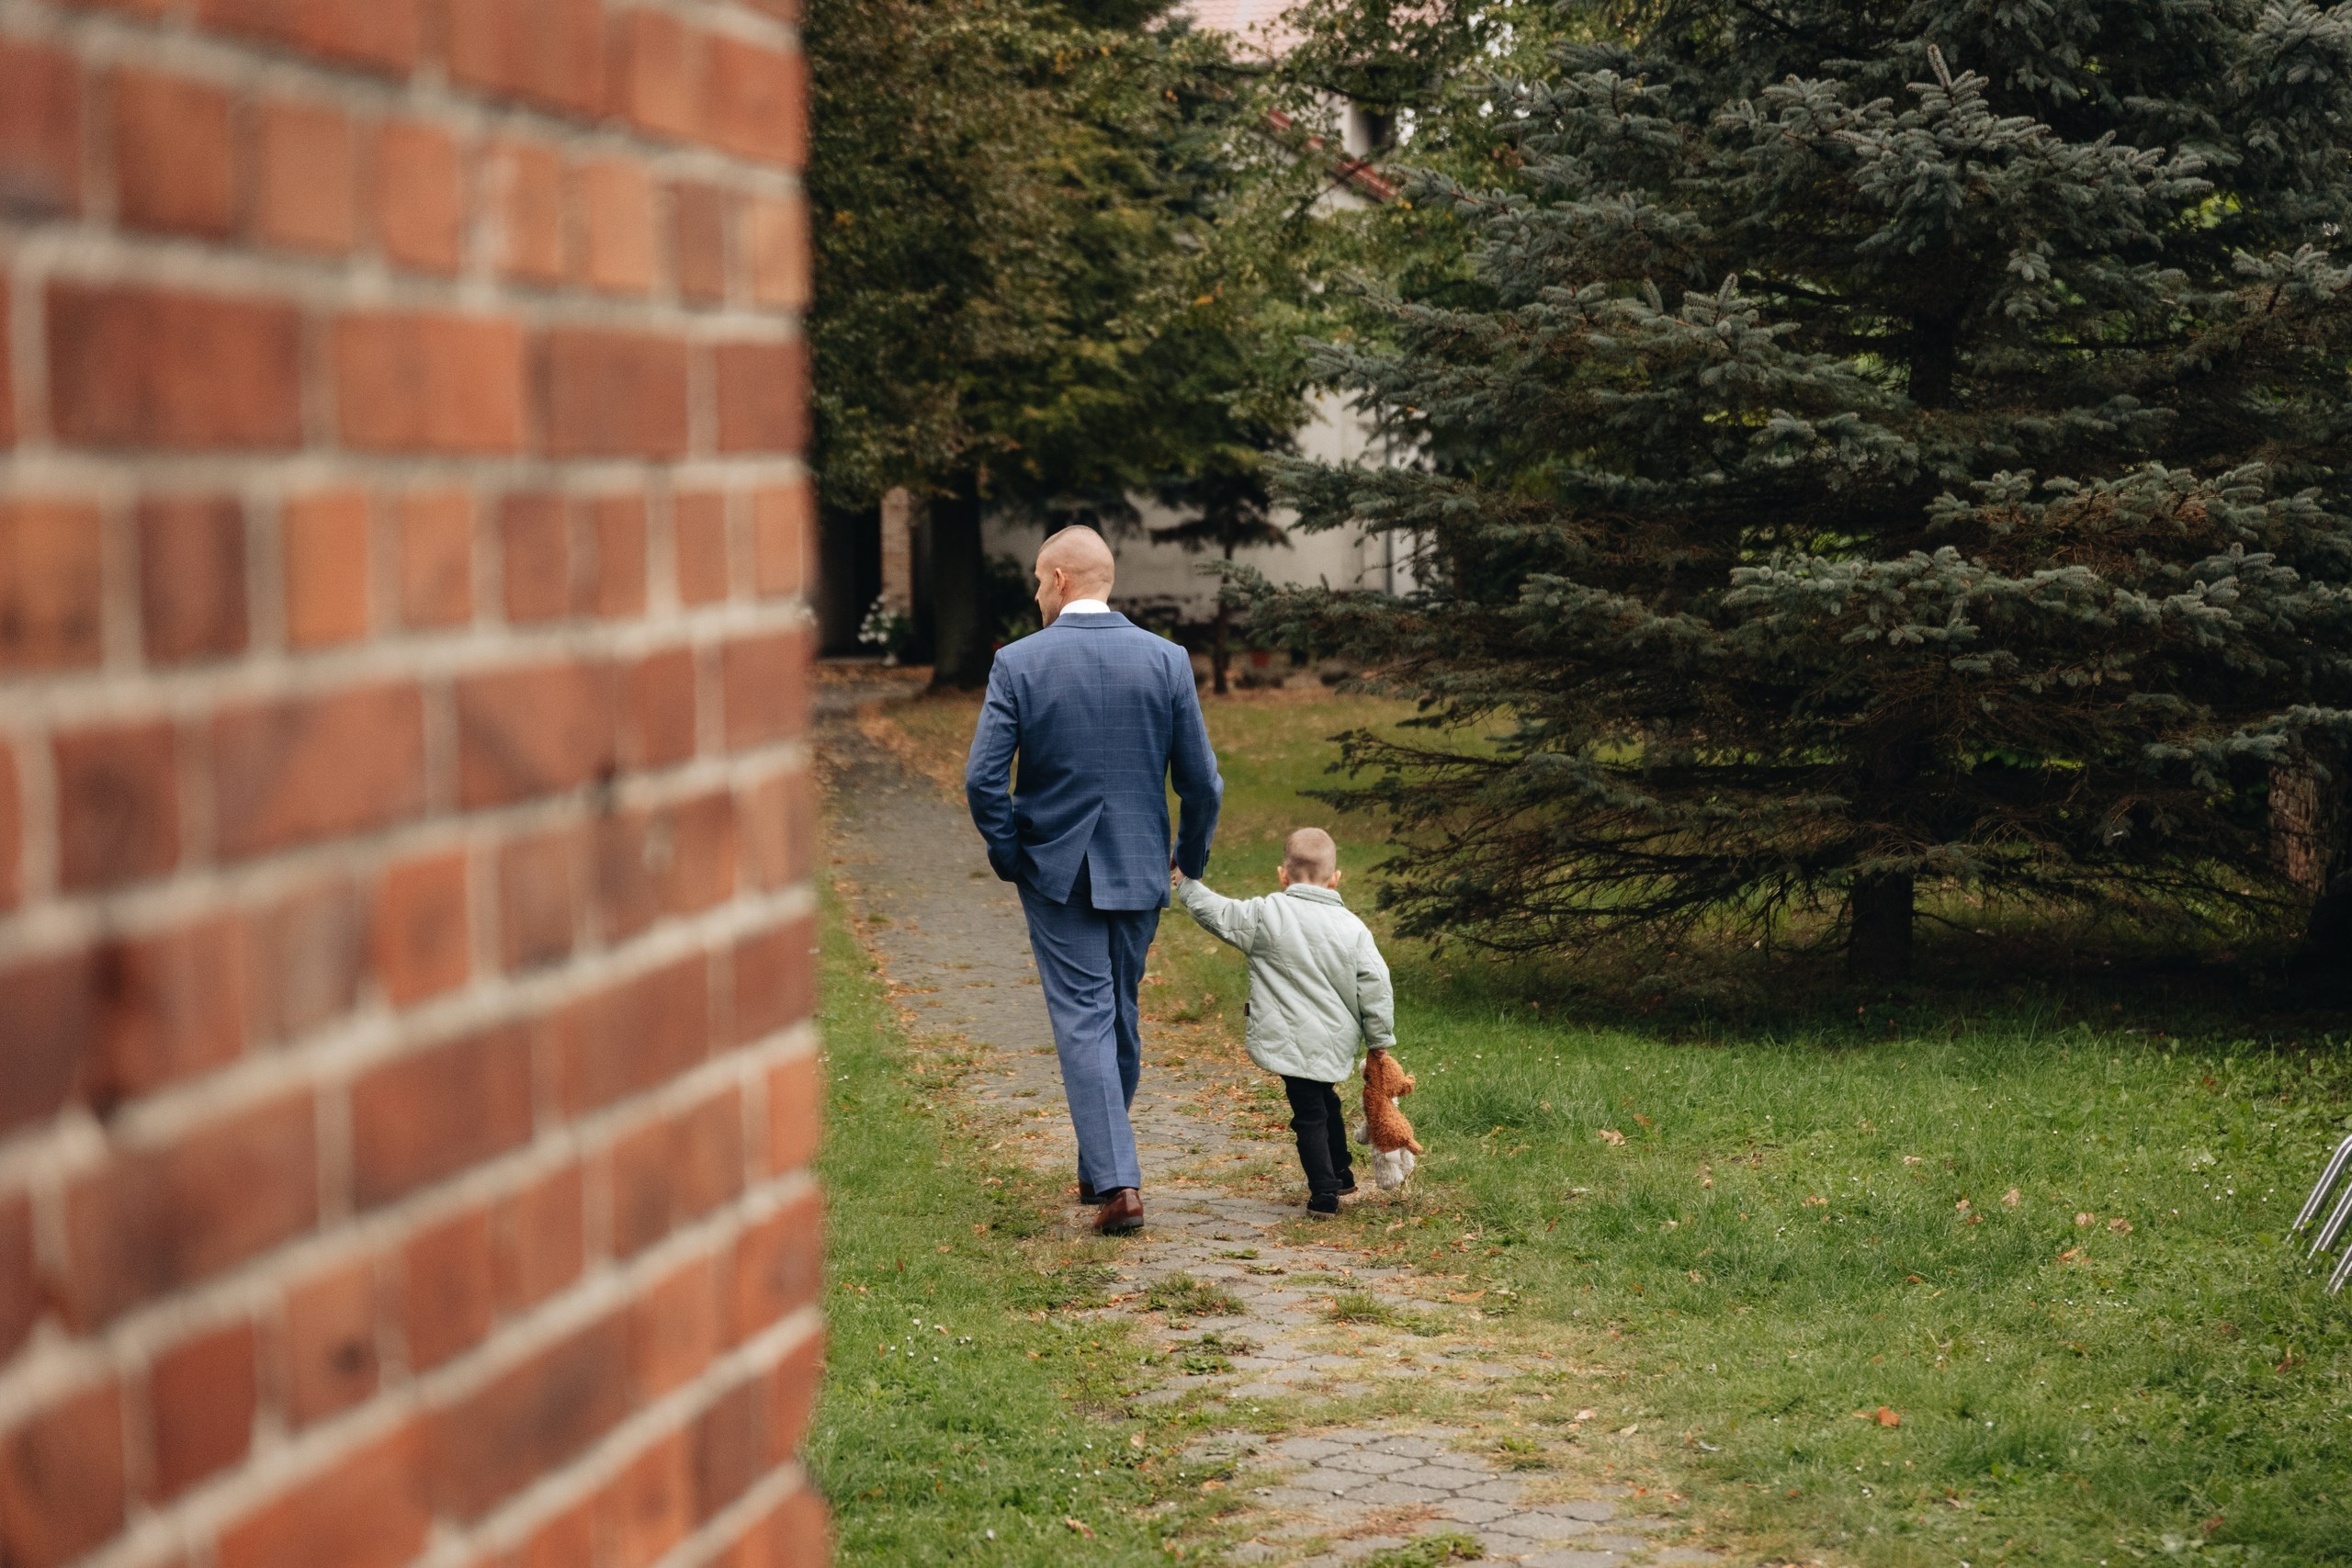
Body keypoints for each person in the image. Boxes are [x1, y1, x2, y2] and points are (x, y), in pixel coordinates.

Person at [965, 526, 1223, 1234]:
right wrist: (1187, 857)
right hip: (1140, 866)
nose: (1035, 594)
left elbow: (983, 779)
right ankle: (1101, 1168)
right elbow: (1203, 782)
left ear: (1058, 578)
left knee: (1088, 1019)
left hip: (1056, 870)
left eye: (1036, 583)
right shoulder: (1166, 660)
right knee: (1120, 1019)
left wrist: (1012, 853)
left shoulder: (1018, 663)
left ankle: (1116, 1181)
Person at [1170, 827, 1395, 1214]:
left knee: (1309, 1114)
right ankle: (1341, 1173)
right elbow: (1376, 986)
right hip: (1332, 1041)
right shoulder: (1354, 929)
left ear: (1283, 875)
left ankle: (1324, 1192)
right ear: (1336, 878)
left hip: (1288, 1038)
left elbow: (1218, 913)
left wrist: (1185, 884)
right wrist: (1379, 1043)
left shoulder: (1266, 914)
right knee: (1325, 1100)